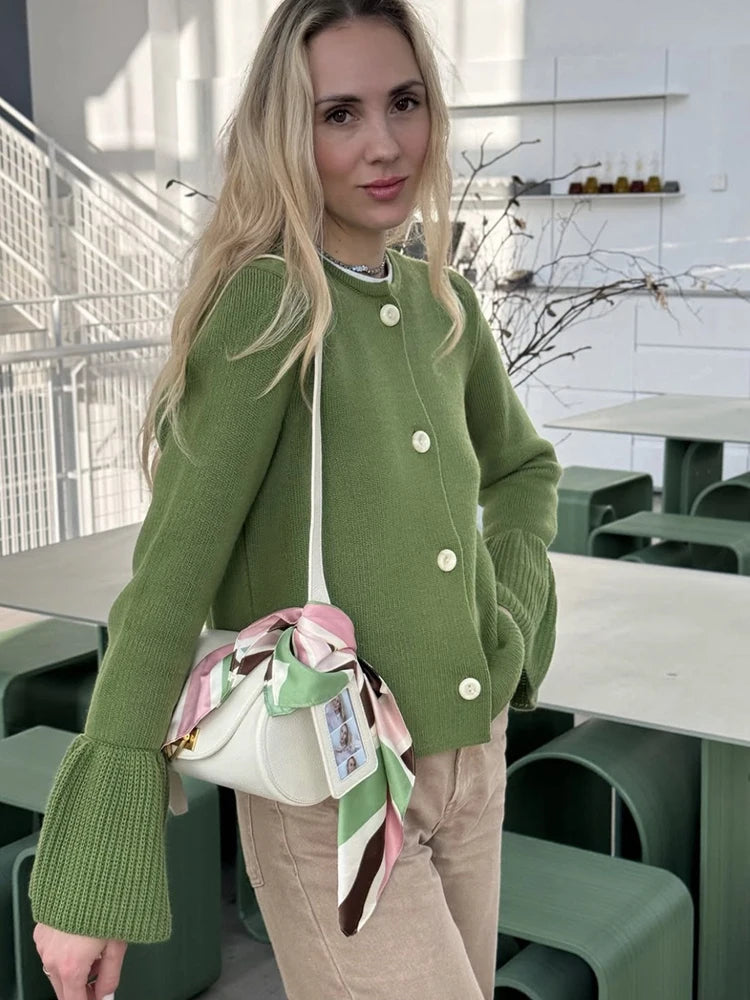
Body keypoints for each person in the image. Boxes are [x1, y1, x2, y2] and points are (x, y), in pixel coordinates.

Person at [29, 1, 561, 998]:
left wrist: (515, 610)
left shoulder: (447, 300)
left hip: (471, 770)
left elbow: (525, 469)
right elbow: (170, 574)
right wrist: (91, 872)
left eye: (404, 102)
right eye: (340, 114)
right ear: (288, 134)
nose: (386, 143)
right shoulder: (268, 306)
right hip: (331, 789)